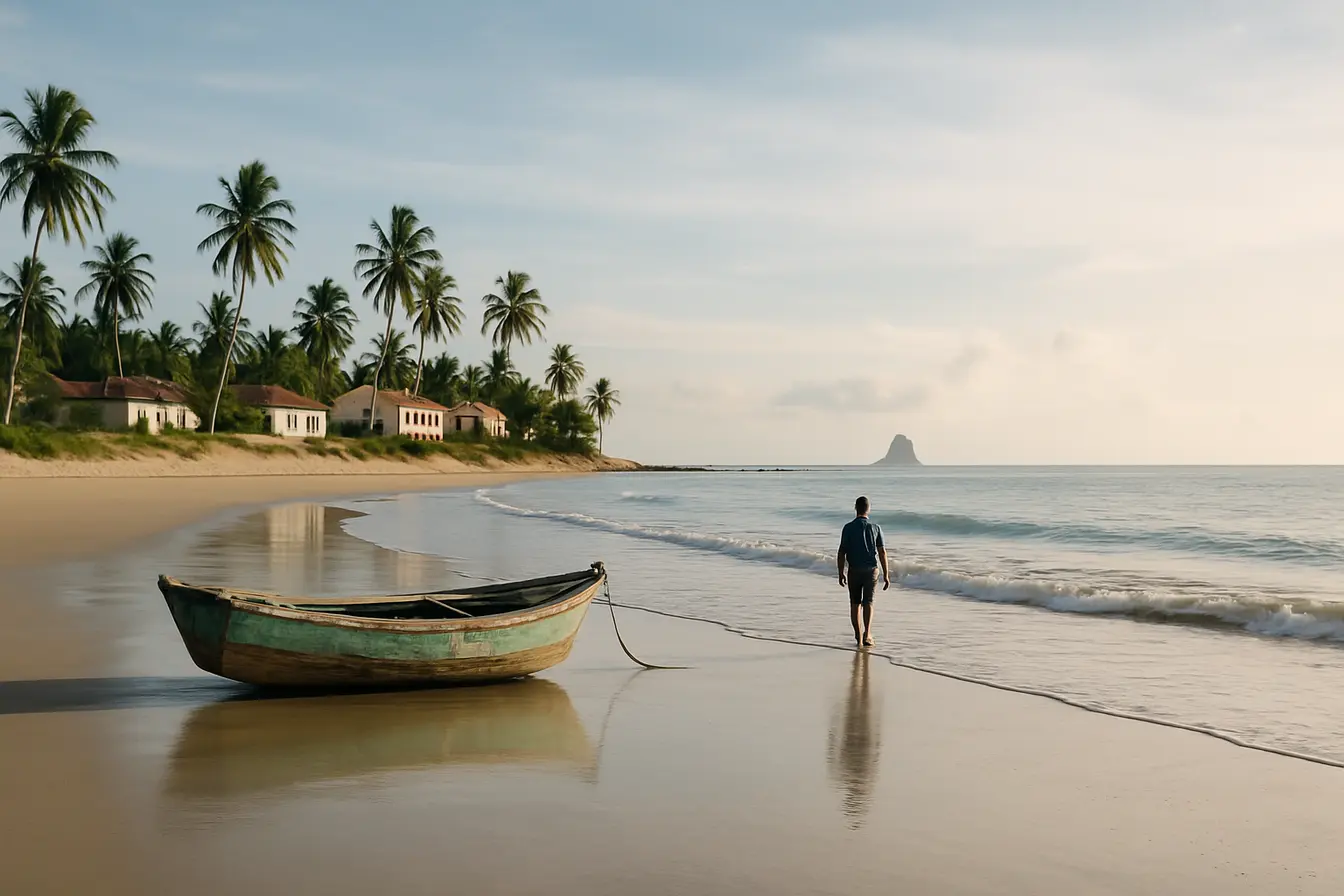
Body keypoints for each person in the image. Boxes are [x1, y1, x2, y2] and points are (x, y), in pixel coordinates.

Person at [837, 495, 889, 647]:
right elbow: (882, 552)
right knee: (868, 603)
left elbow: (841, 552)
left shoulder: (848, 528)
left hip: (854, 570)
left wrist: (840, 572)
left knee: (855, 604)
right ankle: (867, 634)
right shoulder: (875, 528)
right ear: (868, 509)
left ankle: (858, 636)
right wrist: (886, 574)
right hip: (871, 570)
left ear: (855, 508)